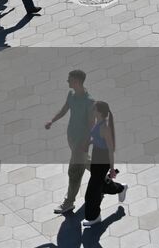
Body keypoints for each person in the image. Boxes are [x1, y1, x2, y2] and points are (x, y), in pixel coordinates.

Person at [46, 69, 97, 215]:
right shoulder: (71, 95)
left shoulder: (90, 102)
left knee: (74, 171)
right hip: (72, 137)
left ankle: (69, 203)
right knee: (85, 162)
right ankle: (106, 179)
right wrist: (52, 120)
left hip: (81, 141)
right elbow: (64, 109)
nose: (67, 81)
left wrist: (86, 142)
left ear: (77, 81)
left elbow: (91, 125)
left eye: (69, 79)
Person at [82, 101, 126, 225]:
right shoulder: (98, 122)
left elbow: (110, 150)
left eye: (94, 109)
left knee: (91, 192)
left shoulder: (105, 128)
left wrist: (112, 169)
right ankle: (121, 188)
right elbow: (96, 137)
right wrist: (89, 142)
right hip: (96, 155)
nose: (92, 110)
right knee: (100, 184)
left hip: (103, 160)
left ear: (99, 112)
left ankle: (94, 217)